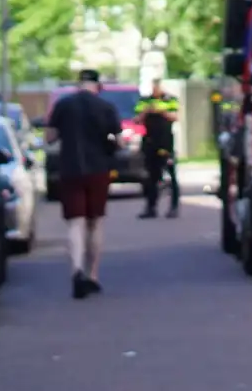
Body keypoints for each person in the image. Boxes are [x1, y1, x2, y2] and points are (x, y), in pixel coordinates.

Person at [45, 69, 122, 299]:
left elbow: (49, 137)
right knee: (95, 221)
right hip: (98, 169)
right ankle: (93, 275)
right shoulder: (106, 108)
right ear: (97, 86)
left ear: (79, 85)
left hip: (70, 169)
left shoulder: (63, 105)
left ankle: (76, 270)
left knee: (75, 223)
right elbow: (118, 141)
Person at [135, 78, 180, 219]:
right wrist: (147, 111)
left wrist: (161, 112)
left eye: (158, 86)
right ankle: (151, 207)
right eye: (154, 86)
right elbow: (136, 119)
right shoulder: (145, 100)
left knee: (171, 175)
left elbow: (175, 116)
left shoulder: (170, 99)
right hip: (150, 141)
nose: (156, 89)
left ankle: (173, 207)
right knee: (151, 177)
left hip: (165, 141)